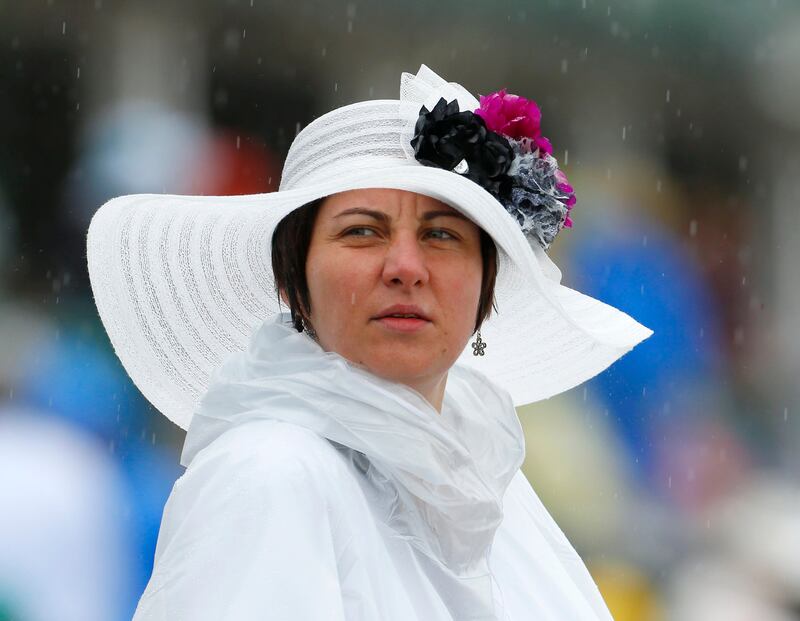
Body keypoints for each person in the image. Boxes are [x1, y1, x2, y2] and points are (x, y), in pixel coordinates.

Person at [86, 64, 653, 620]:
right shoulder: (272, 474)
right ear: (292, 277)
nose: (406, 267)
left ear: (487, 286)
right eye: (362, 231)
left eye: (442, 234)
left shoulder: (480, 481)